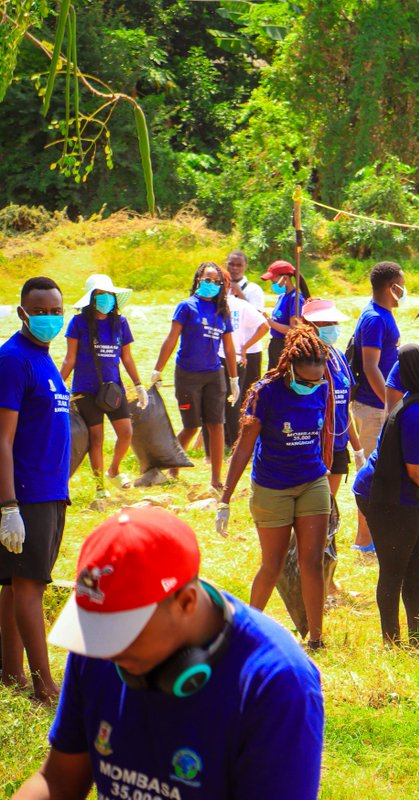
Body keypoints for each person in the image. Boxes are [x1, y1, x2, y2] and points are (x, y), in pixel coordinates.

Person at [14, 507, 323, 799]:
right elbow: (58, 780)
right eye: (96, 628)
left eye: (120, 632)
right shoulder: (98, 646)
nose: (105, 652)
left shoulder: (276, 684)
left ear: (186, 602)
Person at [217, 325, 332, 651]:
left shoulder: (321, 387)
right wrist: (225, 498)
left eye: (317, 381)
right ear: (290, 368)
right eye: (306, 381)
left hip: (312, 481)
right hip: (272, 487)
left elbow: (325, 431)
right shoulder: (265, 392)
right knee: (273, 564)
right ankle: (243, 634)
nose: (312, 386)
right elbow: (244, 447)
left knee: (313, 562)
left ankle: (316, 639)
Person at [353, 344, 419, 646]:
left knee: (417, 569)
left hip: (411, 494)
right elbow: (417, 472)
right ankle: (392, 642)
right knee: (395, 569)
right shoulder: (416, 415)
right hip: (385, 495)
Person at [0, 277, 71, 703]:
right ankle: (44, 686)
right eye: (40, 311)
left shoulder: (43, 358)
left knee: (15, 585)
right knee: (30, 587)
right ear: (23, 313)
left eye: (55, 311)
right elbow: (2, 438)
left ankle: (12, 675)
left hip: (49, 489)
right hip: (27, 492)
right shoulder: (13, 359)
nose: (49, 318)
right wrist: (9, 505)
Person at [149, 263, 239, 492]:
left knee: (216, 425)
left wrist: (234, 379)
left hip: (213, 375)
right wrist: (158, 369)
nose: (212, 284)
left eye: (216, 282)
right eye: (207, 279)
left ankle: (216, 479)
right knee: (191, 426)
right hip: (187, 374)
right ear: (198, 279)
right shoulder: (186, 306)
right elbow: (171, 339)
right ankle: (171, 466)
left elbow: (229, 348)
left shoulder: (222, 311)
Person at [59, 275, 148, 495]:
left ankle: (113, 470)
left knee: (126, 432)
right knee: (96, 438)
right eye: (100, 294)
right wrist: (58, 386)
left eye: (108, 294)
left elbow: (127, 357)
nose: (105, 298)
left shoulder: (120, 322)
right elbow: (70, 358)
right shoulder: (78, 323)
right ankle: (99, 487)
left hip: (113, 388)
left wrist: (138, 385)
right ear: (91, 298)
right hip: (86, 390)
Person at [349, 261, 406, 552]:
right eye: (401, 285)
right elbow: (370, 366)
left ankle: (374, 534)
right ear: (391, 287)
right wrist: (388, 405)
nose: (404, 290)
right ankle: (364, 539)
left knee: (382, 472)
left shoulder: (383, 314)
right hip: (373, 408)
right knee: (370, 475)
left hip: (378, 406)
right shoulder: (374, 318)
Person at [302, 298, 363, 499]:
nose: (333, 327)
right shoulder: (304, 361)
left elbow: (344, 408)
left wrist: (357, 449)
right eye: (326, 323)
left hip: (338, 445)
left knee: (328, 504)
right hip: (313, 447)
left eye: (334, 322)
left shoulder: (339, 357)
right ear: (310, 325)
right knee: (312, 505)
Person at [220, 289, 269, 450]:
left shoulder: (239, 304)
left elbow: (264, 326)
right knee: (230, 402)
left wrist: (244, 347)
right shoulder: (212, 304)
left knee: (233, 402)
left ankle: (236, 444)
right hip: (223, 358)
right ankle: (230, 442)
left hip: (233, 358)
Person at [261, 260, 305, 369]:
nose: (272, 284)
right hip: (275, 345)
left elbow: (293, 329)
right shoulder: (282, 296)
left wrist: (270, 322)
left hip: (285, 346)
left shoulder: (295, 298)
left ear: (285, 278)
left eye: (273, 281)